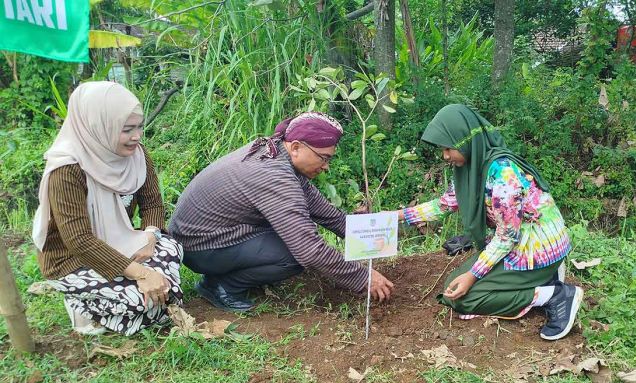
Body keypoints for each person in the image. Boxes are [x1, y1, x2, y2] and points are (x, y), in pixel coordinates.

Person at [169, 112, 394, 312]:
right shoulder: (273, 175)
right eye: (323, 157)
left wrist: (378, 238)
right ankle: (220, 286)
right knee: (295, 255)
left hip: (215, 234)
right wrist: (362, 277)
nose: (326, 166)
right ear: (296, 147)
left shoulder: (276, 153)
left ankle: (239, 272)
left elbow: (327, 214)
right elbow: (309, 250)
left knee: (297, 234)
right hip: (200, 247)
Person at [399, 104, 582, 341]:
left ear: (464, 140)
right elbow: (443, 205)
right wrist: (397, 217)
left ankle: (556, 295)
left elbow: (507, 237)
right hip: (518, 243)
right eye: (442, 150)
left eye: (448, 148)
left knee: (465, 298)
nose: (445, 157)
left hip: (536, 247)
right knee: (451, 287)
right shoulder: (472, 167)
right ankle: (546, 278)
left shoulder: (503, 175)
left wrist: (473, 275)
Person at [32, 81, 183, 336]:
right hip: (74, 260)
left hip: (122, 243)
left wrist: (151, 236)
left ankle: (131, 304)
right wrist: (143, 274)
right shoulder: (67, 170)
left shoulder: (137, 155)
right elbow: (79, 241)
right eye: (127, 130)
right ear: (98, 127)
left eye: (139, 127)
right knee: (145, 300)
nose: (136, 136)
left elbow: (153, 203)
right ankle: (80, 304)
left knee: (171, 246)